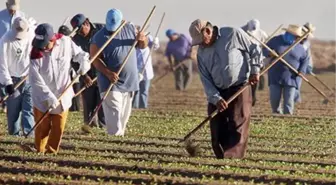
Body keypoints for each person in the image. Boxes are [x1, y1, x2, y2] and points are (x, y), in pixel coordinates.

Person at [189, 19, 262, 159]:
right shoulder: (201, 53)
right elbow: (205, 79)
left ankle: (232, 158)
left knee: (238, 120)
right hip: (217, 89)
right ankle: (221, 155)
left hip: (239, 85)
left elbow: (255, 48)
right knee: (216, 122)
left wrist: (254, 70)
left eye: (201, 40)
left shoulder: (232, 34)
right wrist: (215, 98)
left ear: (208, 31)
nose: (201, 44)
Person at [29, 23, 90, 153]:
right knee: (42, 127)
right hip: (42, 96)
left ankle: (51, 152)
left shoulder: (66, 42)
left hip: (63, 94)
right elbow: (35, 80)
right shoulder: (35, 53)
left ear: (53, 39)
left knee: (58, 127)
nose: (43, 47)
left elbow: (81, 54)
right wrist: (49, 96)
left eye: (45, 44)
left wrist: (84, 63)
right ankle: (39, 151)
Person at [90, 8, 148, 136]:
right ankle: (115, 137)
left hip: (129, 81)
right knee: (114, 112)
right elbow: (94, 59)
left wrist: (142, 39)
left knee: (124, 114)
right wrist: (108, 72)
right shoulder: (98, 37)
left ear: (121, 21)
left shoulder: (131, 29)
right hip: (110, 82)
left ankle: (119, 138)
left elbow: (143, 46)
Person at [0, 17, 34, 136]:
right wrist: (8, 83)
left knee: (28, 109)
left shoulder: (31, 36)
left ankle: (29, 135)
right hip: (13, 79)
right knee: (13, 112)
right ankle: (14, 135)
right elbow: (2, 64)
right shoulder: (4, 40)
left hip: (28, 78)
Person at [263, 25, 309, 114]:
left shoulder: (299, 47)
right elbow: (263, 49)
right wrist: (269, 53)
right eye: (294, 36)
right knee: (274, 100)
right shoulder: (276, 40)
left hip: (291, 77)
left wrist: (302, 71)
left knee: (289, 101)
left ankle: (287, 118)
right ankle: (276, 116)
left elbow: (305, 60)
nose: (296, 38)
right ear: (288, 33)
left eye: (297, 37)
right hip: (275, 75)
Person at [70, 14, 105, 127]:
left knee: (103, 105)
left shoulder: (102, 29)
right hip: (87, 76)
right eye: (77, 31)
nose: (79, 33)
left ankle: (104, 126)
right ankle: (89, 126)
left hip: (102, 73)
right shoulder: (75, 40)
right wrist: (84, 76)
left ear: (87, 23)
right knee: (88, 104)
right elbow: (74, 61)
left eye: (80, 30)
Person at [242, 19, 268, 106]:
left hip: (257, 58)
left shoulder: (262, 33)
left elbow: (266, 44)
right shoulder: (242, 31)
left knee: (257, 76)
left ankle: (253, 97)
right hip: (245, 58)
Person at [133, 25, 160, 109]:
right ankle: (134, 106)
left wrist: (156, 42)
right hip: (135, 69)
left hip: (146, 69)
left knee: (144, 90)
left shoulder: (148, 37)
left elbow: (155, 47)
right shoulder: (132, 40)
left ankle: (143, 107)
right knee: (135, 90)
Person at [58, 25, 81, 111]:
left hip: (73, 71)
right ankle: (69, 107)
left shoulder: (71, 42)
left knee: (75, 89)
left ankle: (76, 108)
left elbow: (78, 54)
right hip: (63, 73)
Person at [294, 23, 316, 103]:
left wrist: (307, 67)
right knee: (295, 83)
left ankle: (296, 100)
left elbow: (305, 56)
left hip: (302, 66)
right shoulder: (299, 41)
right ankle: (296, 99)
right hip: (297, 65)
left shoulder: (306, 43)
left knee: (296, 83)